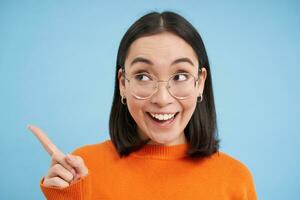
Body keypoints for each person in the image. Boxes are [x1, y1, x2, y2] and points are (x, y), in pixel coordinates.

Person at [36, 11, 257, 199]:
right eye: (143, 76)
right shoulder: (82, 171)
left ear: (200, 84)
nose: (162, 99)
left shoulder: (235, 180)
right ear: (123, 84)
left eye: (180, 76)